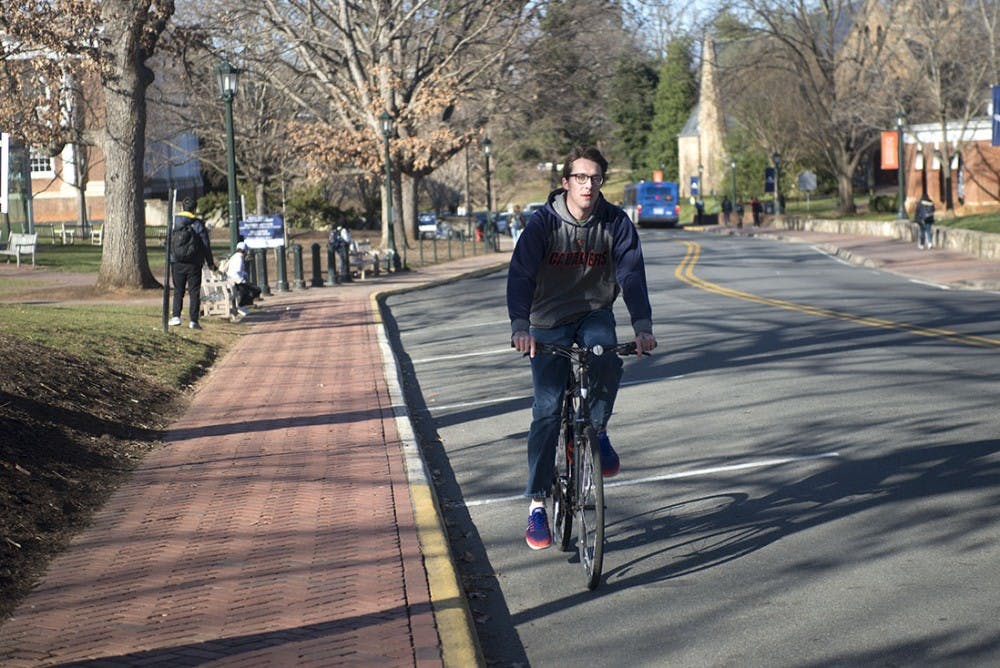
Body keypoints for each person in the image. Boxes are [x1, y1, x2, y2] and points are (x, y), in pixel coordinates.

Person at [507, 145, 657, 550]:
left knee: (606, 355)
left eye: (594, 178)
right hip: (547, 320)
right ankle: (538, 503)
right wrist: (521, 326)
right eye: (580, 177)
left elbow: (631, 275)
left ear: (601, 182)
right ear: (565, 182)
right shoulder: (543, 225)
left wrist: (642, 327)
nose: (587, 185)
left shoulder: (615, 223)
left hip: (593, 313)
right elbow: (520, 275)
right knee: (546, 410)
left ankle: (596, 431)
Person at [169, 197, 216, 330]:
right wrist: (210, 263)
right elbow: (206, 245)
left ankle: (176, 316)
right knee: (194, 292)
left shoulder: (174, 222)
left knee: (178, 290)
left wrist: (170, 257)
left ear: (182, 207)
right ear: (194, 209)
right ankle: (193, 321)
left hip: (177, 262)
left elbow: (169, 241)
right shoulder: (198, 224)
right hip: (194, 263)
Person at [225, 241, 259, 319]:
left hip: (231, 282)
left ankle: (241, 305)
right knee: (255, 289)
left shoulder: (235, 256)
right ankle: (241, 306)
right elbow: (236, 273)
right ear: (244, 251)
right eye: (246, 252)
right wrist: (243, 281)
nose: (246, 253)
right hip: (234, 282)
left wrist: (244, 275)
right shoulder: (239, 258)